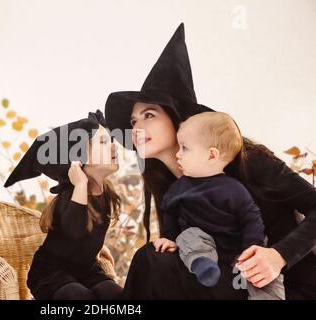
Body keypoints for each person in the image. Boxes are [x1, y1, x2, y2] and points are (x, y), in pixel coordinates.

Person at [105, 23, 316, 299]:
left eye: (149, 115)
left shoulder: (247, 161)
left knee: (153, 262)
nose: (136, 127)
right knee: (153, 256)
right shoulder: (170, 187)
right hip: (227, 281)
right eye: (133, 121)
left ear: (177, 116)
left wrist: (279, 256)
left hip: (285, 288)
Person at [157, 111, 284, 299]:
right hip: (205, 244)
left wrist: (251, 249)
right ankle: (203, 265)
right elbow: (169, 211)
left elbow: (251, 219)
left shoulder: (234, 188)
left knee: (264, 277)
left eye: (184, 148)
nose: (177, 155)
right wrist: (169, 237)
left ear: (211, 155)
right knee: (189, 236)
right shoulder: (179, 188)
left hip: (238, 249)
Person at [4, 110, 123, 300]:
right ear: (79, 157)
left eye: (111, 140)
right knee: (80, 297)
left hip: (86, 270)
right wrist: (81, 184)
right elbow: (75, 231)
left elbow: (88, 233)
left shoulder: (107, 195)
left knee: (117, 296)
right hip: (51, 275)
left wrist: (98, 247)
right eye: (103, 142)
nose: (114, 146)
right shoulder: (70, 196)